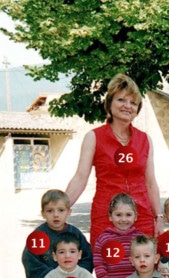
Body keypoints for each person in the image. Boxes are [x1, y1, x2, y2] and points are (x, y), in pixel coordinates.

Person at [65, 74, 162, 246]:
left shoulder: (145, 140)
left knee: (144, 268)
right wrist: (60, 209)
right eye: (121, 100)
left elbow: (151, 183)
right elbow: (80, 178)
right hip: (106, 216)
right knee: (108, 268)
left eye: (133, 103)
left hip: (141, 216)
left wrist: (158, 217)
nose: (127, 106)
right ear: (109, 103)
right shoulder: (93, 137)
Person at [23, 189, 93, 278]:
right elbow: (31, 263)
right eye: (50, 211)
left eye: (61, 210)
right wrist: (57, 277)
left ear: (69, 212)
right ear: (43, 213)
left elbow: (87, 258)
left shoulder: (75, 233)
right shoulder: (37, 237)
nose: (56, 215)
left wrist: (77, 275)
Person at [94, 193, 144, 278]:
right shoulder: (103, 239)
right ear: (110, 216)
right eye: (118, 215)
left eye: (128, 215)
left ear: (135, 217)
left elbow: (146, 262)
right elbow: (99, 265)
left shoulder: (140, 239)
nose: (123, 219)